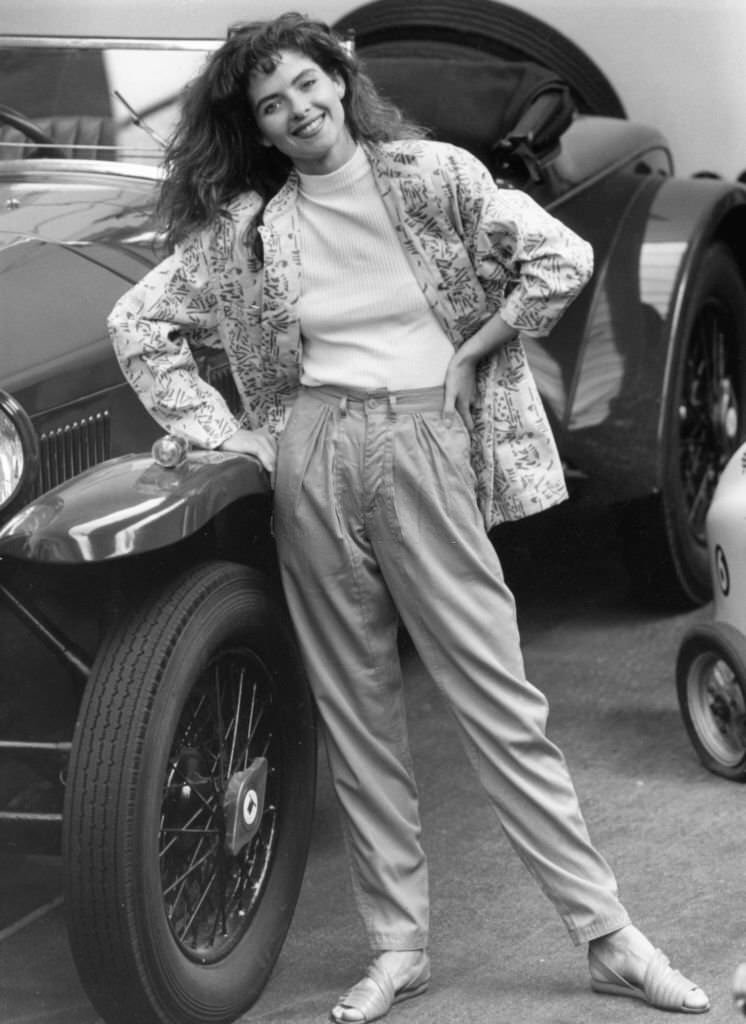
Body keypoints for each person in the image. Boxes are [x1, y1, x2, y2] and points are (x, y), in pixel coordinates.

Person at [107, 12, 709, 1022]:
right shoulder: (253, 229)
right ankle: (397, 948)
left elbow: (554, 258)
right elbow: (139, 324)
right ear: (255, 127)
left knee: (497, 703)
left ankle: (608, 936)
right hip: (311, 458)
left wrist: (475, 350)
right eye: (269, 105)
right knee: (355, 715)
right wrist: (229, 436)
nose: (296, 111)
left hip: (421, 446)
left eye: (306, 85)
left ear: (339, 81)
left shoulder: (431, 177)